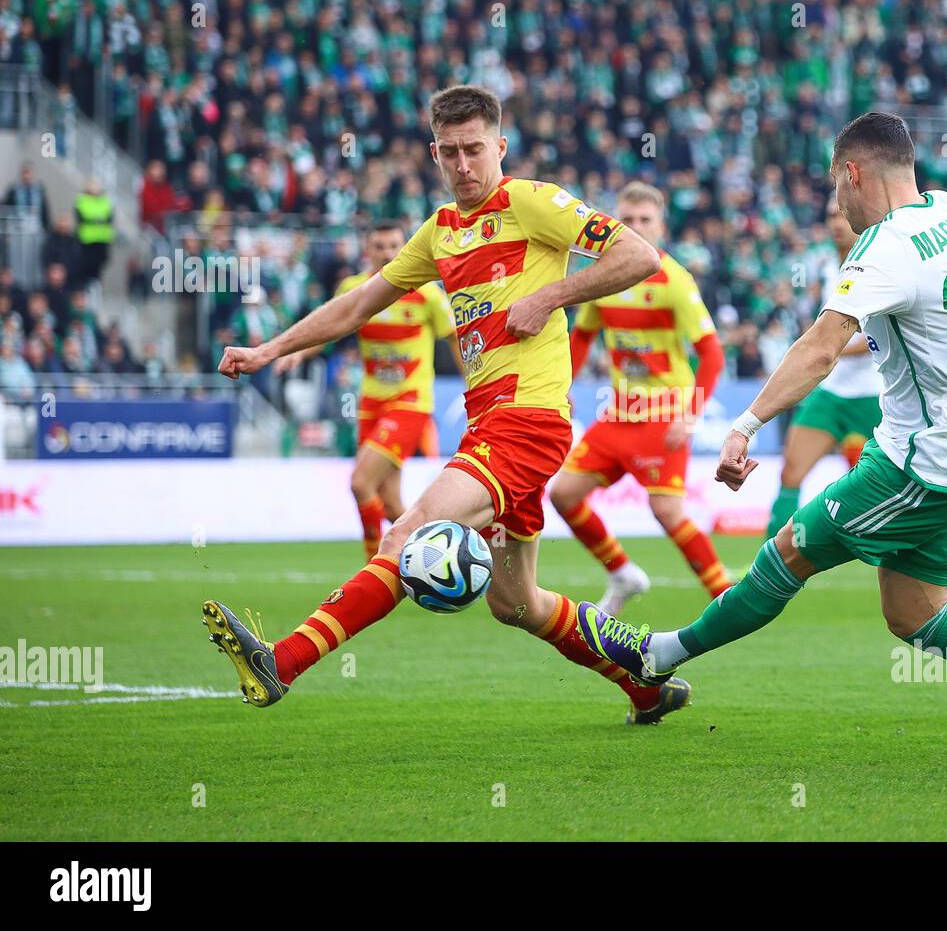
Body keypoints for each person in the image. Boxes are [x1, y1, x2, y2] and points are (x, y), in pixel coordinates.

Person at [577, 112, 947, 765]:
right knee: (915, 615)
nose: (837, 203)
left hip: (918, 466)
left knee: (786, 553)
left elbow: (819, 349)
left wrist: (745, 425)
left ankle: (654, 655)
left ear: (853, 173)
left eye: (837, 187)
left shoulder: (884, 246)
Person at [205, 85, 692, 726]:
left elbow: (640, 255)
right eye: (450, 153)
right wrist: (271, 349)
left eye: (475, 150)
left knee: (404, 534)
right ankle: (645, 684)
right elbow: (357, 304)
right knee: (518, 603)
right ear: (435, 153)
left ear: (501, 147)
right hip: (489, 422)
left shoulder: (531, 201)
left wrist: (551, 298)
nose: (464, 165)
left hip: (528, 422)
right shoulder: (439, 233)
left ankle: (281, 662)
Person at [550, 181, 730, 613]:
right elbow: (582, 337)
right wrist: (565, 386)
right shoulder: (602, 276)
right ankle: (623, 574)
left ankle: (726, 596)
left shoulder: (675, 280)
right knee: (563, 495)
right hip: (618, 416)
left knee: (666, 511)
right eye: (626, 220)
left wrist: (690, 416)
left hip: (663, 416)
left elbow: (712, 355)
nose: (635, 227)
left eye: (644, 220)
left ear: (661, 226)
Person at [274, 221, 462, 557]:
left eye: (394, 246)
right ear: (367, 249)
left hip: (410, 403)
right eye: (379, 246)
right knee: (391, 505)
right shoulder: (354, 287)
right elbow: (331, 326)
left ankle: (374, 567)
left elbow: (455, 339)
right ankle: (443, 555)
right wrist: (297, 352)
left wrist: (475, 385)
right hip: (370, 405)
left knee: (360, 482)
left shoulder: (428, 293)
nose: (388, 253)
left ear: (405, 248)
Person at [766, 198, 884, 538]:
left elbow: (872, 339)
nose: (836, 222)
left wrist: (825, 351)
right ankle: (765, 560)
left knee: (906, 478)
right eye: (830, 215)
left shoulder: (878, 268)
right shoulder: (829, 269)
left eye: (842, 215)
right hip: (832, 393)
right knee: (791, 471)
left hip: (872, 395)